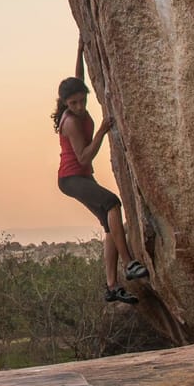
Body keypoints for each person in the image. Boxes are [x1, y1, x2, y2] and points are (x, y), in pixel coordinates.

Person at [53, 41, 149, 304]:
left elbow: (78, 80)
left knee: (109, 225)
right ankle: (129, 263)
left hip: (80, 176)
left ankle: (111, 286)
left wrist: (80, 51)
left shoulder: (73, 103)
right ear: (65, 104)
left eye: (82, 100)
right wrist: (102, 131)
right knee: (113, 204)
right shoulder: (70, 121)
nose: (80, 106)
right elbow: (84, 156)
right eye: (73, 103)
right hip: (72, 178)